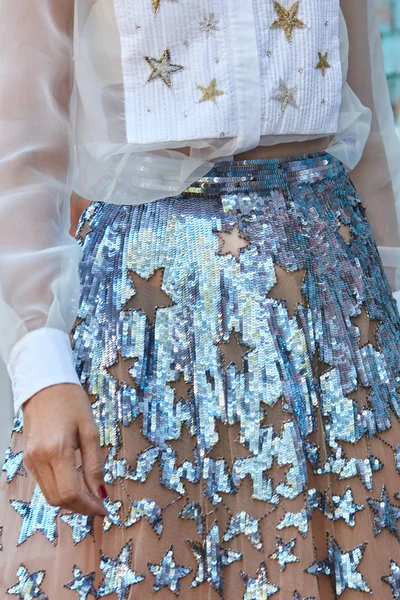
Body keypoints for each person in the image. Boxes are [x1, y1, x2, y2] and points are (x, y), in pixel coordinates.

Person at [1, 0, 400, 598]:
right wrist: (40, 365)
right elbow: (23, 152)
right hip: (145, 324)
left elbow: (371, 139)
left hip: (334, 316)